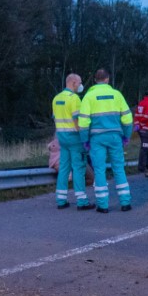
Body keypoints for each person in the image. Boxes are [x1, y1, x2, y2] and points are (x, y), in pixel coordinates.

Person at [78, 68, 134, 213]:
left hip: (97, 139)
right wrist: (126, 136)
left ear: (95, 80)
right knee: (119, 168)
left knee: (99, 170)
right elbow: (128, 119)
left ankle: (103, 205)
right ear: (107, 79)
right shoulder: (117, 95)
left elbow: (83, 123)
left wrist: (85, 140)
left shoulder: (89, 97)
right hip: (115, 137)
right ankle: (125, 203)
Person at [51, 73, 90, 210]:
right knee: (78, 168)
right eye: (79, 83)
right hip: (74, 138)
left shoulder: (56, 98)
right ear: (73, 82)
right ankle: (82, 201)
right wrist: (85, 137)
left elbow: (55, 118)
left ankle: (61, 200)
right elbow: (77, 121)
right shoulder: (74, 99)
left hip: (61, 137)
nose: (80, 85)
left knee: (64, 168)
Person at [133, 89, 148, 177]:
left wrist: (137, 124)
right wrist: (142, 124)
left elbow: (136, 115)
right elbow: (147, 117)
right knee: (145, 148)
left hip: (141, 129)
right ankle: (142, 166)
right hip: (146, 129)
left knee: (146, 147)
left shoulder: (141, 103)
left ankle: (147, 164)